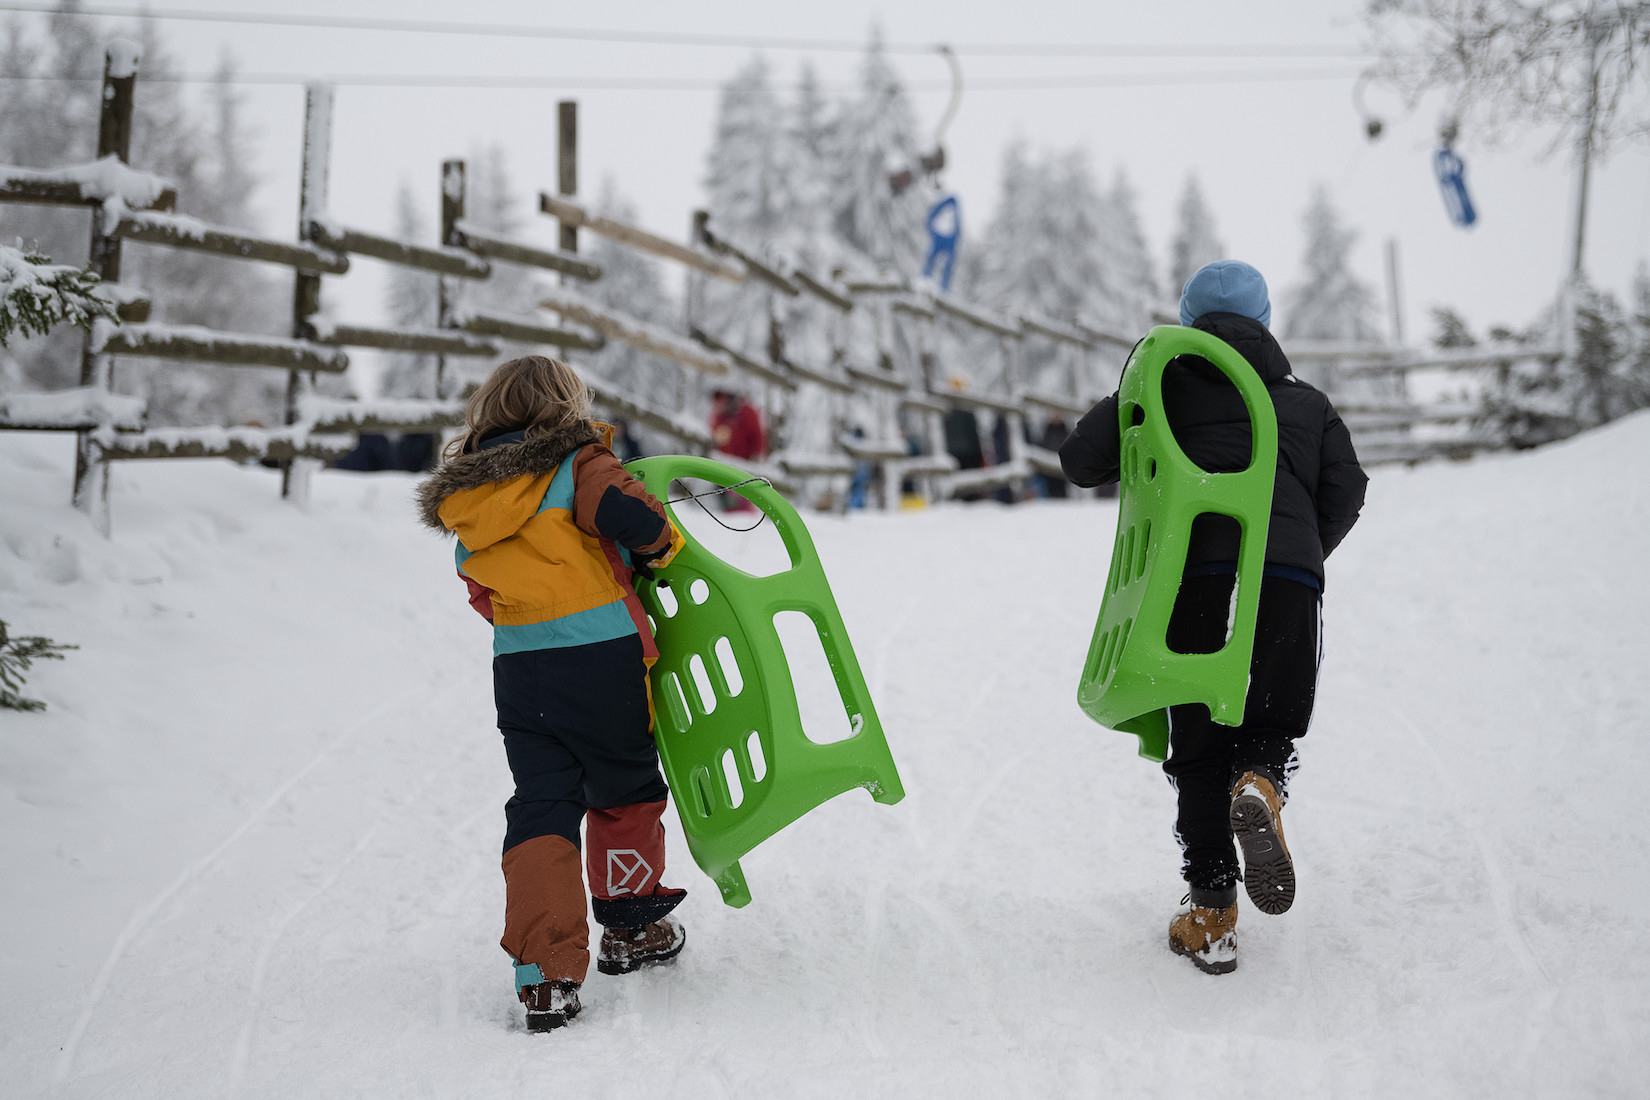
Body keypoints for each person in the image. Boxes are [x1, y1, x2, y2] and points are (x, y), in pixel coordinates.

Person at [1058, 260, 1368, 975]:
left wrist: (1134, 392)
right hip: (1286, 580)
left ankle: (1213, 914)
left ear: (1189, 322)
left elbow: (1080, 461)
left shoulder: (1159, 389)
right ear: (1265, 323)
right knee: (1269, 717)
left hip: (1190, 579)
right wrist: (1298, 553)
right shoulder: (1307, 403)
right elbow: (1346, 489)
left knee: (1198, 739)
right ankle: (1259, 781)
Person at [416, 355, 690, 1031]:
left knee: (543, 801)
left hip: (521, 667)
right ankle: (630, 927)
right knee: (623, 787)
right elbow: (638, 522)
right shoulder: (578, 463)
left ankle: (544, 974)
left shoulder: (471, 496)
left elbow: (479, 588)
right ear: (566, 406)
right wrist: (661, 548)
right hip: (601, 658)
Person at [710, 389, 766, 512]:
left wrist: (756, 458)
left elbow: (757, 437)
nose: (718, 405)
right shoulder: (719, 416)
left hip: (744, 467)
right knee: (725, 503)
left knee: (741, 503)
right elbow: (715, 438)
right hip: (722, 466)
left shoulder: (746, 412)